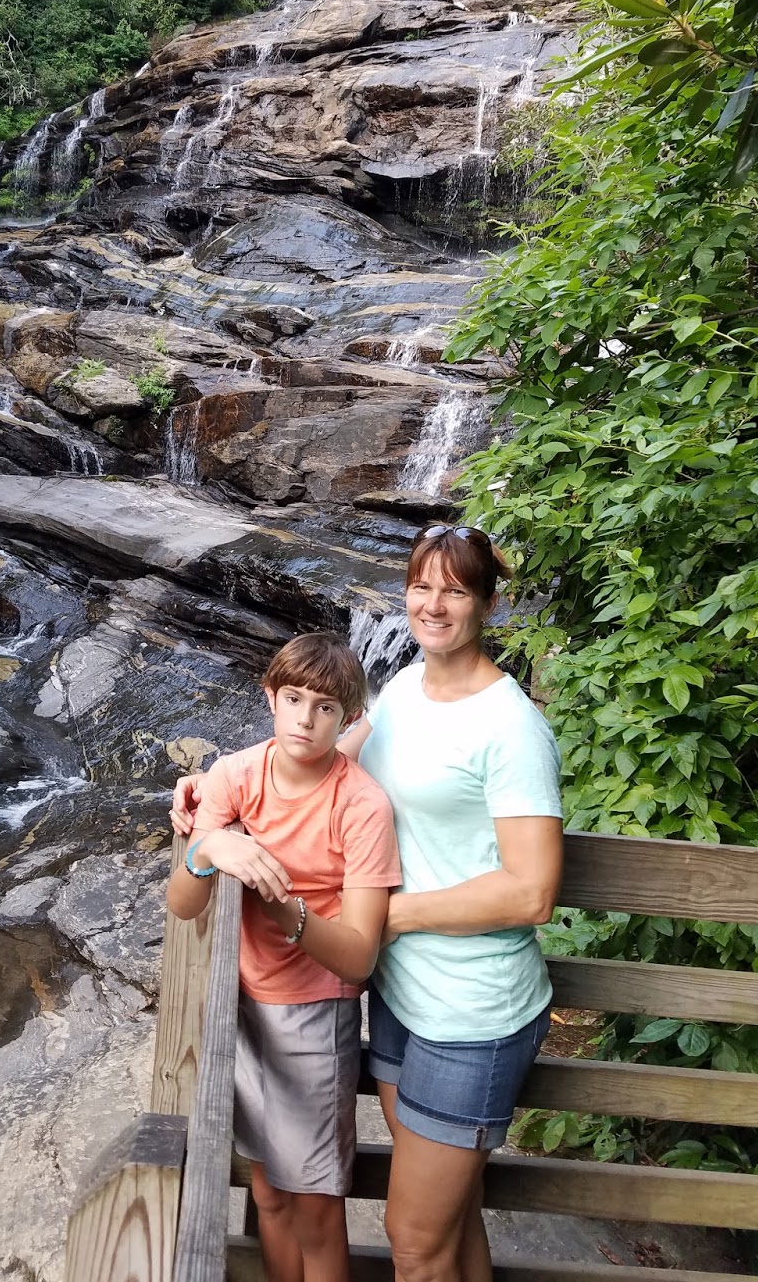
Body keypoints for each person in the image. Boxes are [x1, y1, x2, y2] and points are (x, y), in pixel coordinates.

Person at [172, 525, 563, 1282]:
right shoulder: (409, 688)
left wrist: (387, 919)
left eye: (455, 590)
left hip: (469, 1011)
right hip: (400, 997)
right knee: (452, 1223)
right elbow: (325, 761)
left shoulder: (511, 727)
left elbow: (533, 890)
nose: (433, 605)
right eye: (421, 586)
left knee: (413, 1242)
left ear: (488, 604)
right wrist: (212, 797)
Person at [166, 630, 401, 1282]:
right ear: (270, 696)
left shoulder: (361, 805)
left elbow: (358, 956)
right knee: (267, 1192)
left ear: (349, 717)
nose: (305, 718)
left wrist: (281, 908)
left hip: (314, 1016)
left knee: (315, 1211)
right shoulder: (235, 775)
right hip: (240, 1006)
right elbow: (184, 904)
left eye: (325, 707)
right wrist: (207, 850)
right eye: (293, 699)